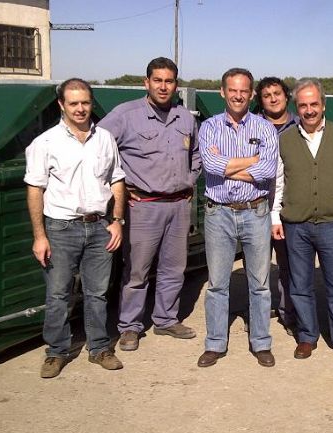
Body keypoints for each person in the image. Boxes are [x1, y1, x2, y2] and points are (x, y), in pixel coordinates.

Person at [98, 57, 202, 351]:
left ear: (176, 85)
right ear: (146, 83)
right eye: (157, 80)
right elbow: (97, 150)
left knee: (174, 268)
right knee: (137, 271)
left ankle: (166, 319)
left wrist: (190, 180)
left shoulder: (185, 118)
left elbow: (196, 154)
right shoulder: (125, 115)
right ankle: (130, 326)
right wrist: (118, 188)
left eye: (169, 81)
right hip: (142, 206)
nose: (163, 86)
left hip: (179, 206)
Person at [25, 78, 126, 378]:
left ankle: (99, 348)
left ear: (91, 103)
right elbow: (35, 190)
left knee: (98, 293)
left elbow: (117, 180)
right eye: (73, 103)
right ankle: (56, 352)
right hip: (60, 228)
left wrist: (117, 221)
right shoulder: (45, 143)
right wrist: (40, 236)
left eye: (85, 102)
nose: (80, 109)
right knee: (58, 294)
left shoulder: (105, 138)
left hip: (99, 227)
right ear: (62, 105)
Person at [271, 78, 333, 364]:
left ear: (323, 105)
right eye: (303, 105)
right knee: (300, 285)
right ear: (297, 107)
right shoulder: (286, 139)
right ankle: (307, 336)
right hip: (296, 225)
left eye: (314, 104)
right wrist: (275, 217)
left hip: (332, 223)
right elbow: (278, 182)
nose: (309, 110)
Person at [197, 68, 279, 368]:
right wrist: (252, 161)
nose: (238, 95)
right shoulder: (209, 127)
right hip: (218, 212)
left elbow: (268, 170)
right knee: (218, 283)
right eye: (232, 90)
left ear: (251, 94)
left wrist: (228, 165)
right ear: (222, 92)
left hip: (255, 210)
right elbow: (210, 165)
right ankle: (215, 343)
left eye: (244, 90)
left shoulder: (265, 128)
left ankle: (261, 342)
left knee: (260, 283)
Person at [254, 76, 299, 334]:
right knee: (257, 267)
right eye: (267, 95)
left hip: (289, 207)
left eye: (277, 93)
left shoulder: (301, 126)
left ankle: (289, 315)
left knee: (289, 266)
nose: (273, 99)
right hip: (256, 205)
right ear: (261, 100)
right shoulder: (251, 126)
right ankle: (257, 316)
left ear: (286, 96)